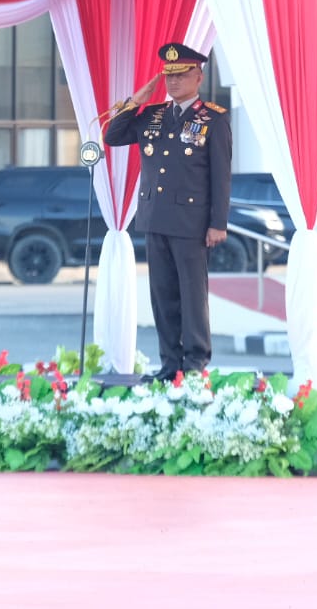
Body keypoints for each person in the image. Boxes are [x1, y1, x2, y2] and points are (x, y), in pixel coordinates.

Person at [103, 43, 232, 382]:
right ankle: (170, 363)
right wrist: (136, 101)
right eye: (169, 76)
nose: (173, 82)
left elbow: (220, 175)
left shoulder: (213, 119)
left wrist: (218, 222)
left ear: (198, 77)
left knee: (192, 296)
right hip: (155, 217)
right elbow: (112, 136)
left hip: (191, 223)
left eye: (181, 75)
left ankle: (195, 363)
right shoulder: (153, 115)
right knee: (162, 296)